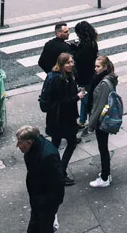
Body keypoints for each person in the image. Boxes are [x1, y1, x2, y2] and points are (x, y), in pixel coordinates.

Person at [16, 125, 65, 233]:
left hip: (45, 202)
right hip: (38, 199)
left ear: (29, 142)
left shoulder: (47, 156)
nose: (18, 146)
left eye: (20, 143)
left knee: (44, 228)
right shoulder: (34, 150)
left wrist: (50, 205)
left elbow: (58, 183)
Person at [44, 53, 79, 186]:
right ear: (61, 64)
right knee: (71, 142)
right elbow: (63, 101)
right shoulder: (60, 79)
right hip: (63, 118)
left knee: (55, 145)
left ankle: (52, 171)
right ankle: (60, 173)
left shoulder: (58, 75)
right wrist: (78, 96)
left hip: (56, 118)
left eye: (71, 61)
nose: (71, 64)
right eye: (68, 63)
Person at [87, 54, 118, 188]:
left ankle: (105, 177)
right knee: (103, 147)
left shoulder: (104, 83)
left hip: (101, 120)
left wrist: (91, 124)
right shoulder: (107, 78)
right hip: (104, 118)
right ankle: (106, 174)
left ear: (105, 67)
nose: (95, 69)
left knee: (103, 148)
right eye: (95, 66)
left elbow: (99, 105)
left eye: (98, 66)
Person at [72, 21, 98, 128]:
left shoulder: (85, 45)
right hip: (90, 74)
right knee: (85, 98)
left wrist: (74, 51)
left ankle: (88, 120)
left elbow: (81, 59)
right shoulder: (92, 42)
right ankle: (83, 120)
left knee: (85, 99)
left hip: (84, 76)